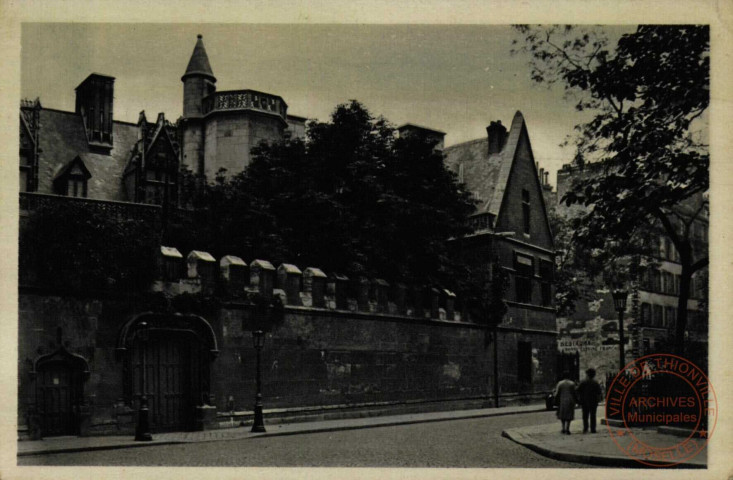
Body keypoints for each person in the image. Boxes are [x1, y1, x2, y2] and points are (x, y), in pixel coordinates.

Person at [577, 367, 603, 433]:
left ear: (587, 374)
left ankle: (585, 428)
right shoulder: (595, 382)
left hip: (584, 401)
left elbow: (578, 390)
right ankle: (593, 429)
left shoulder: (583, 382)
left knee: (585, 415)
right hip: (593, 401)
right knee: (593, 415)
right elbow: (599, 392)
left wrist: (580, 398)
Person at [553, 370, 577, 434]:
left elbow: (557, 393)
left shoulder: (560, 383)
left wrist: (555, 397)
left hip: (562, 400)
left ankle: (563, 428)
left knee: (562, 415)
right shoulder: (572, 383)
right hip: (570, 401)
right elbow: (575, 393)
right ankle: (568, 429)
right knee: (569, 415)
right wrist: (576, 400)